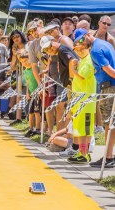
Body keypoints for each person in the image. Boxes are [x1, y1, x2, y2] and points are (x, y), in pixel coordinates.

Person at [73, 29, 115, 168]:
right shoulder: (104, 44)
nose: (81, 45)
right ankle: (109, 156)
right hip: (107, 86)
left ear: (87, 35)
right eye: (77, 43)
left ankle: (108, 157)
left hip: (109, 87)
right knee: (110, 122)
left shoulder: (96, 50)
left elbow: (109, 70)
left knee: (109, 123)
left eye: (80, 41)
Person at [67, 30, 96, 164]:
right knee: (80, 129)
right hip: (80, 100)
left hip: (86, 101)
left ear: (88, 48)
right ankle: (81, 152)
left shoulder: (88, 60)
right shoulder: (83, 60)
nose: (79, 51)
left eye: (82, 48)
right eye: (77, 49)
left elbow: (82, 76)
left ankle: (84, 153)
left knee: (85, 130)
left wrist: (73, 69)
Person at [40, 35, 79, 131]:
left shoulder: (62, 50)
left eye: (50, 47)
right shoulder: (60, 51)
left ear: (54, 41)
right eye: (46, 50)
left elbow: (73, 61)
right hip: (68, 84)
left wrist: (71, 80)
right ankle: (64, 135)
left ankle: (65, 136)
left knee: (67, 110)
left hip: (72, 85)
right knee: (67, 110)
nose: (49, 50)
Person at [19, 51, 41, 137]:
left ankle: (38, 129)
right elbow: (27, 83)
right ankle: (31, 128)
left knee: (36, 111)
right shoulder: (25, 71)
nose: (24, 63)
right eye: (22, 62)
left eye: (26, 60)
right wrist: (27, 93)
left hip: (37, 93)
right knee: (30, 112)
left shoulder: (35, 68)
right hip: (31, 94)